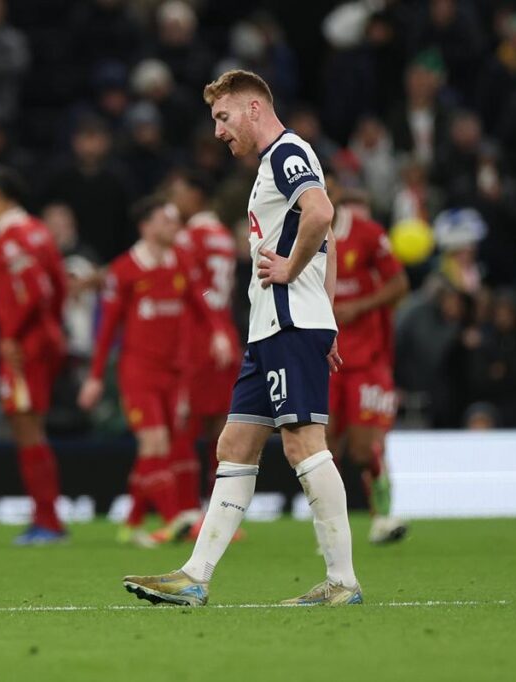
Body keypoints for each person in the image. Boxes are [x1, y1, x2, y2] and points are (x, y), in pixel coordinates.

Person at [122, 70, 359, 607]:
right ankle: (195, 575)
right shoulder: (275, 164)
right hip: (274, 327)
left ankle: (342, 582)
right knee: (235, 444)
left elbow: (322, 214)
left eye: (223, 118)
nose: (218, 132)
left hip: (287, 322)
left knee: (303, 443)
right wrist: (327, 305)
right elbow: (330, 232)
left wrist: (292, 271)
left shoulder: (284, 152)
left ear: (254, 109)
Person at [78, 197, 233, 547]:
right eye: (166, 221)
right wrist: (95, 376)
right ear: (146, 226)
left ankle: (131, 524)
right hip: (139, 371)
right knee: (155, 442)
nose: (174, 227)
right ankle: (172, 520)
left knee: (154, 450)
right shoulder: (124, 270)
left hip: (175, 373)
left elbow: (201, 299)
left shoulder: (181, 261)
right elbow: (107, 332)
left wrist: (219, 333)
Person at [0, 166, 68, 545]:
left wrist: (11, 336)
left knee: (26, 428)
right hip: (44, 338)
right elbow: (58, 286)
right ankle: (45, 517)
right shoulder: (38, 231)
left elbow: (33, 290)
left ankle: (47, 520)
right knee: (32, 427)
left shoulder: (12, 237)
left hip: (24, 344)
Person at [327, 181, 410, 544]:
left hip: (365, 358)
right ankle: (328, 527)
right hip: (321, 358)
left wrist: (358, 307)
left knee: (365, 446)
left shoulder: (367, 234)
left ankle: (383, 517)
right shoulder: (295, 233)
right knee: (321, 446)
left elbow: (399, 285)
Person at [167, 169, 241, 524]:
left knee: (185, 424)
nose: (173, 200)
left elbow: (197, 289)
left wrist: (210, 326)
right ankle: (220, 514)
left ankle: (187, 511)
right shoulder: (223, 236)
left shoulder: (188, 238)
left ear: (195, 196)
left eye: (178, 192)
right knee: (220, 428)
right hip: (224, 331)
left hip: (199, 336)